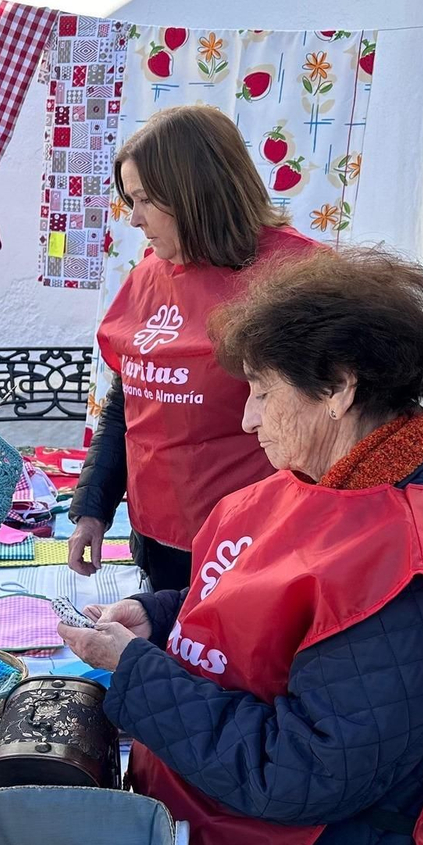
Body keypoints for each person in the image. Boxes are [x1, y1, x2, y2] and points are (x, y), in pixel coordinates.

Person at [59, 248, 423, 845]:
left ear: (338, 387)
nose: (248, 417)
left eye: (261, 392)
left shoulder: (421, 566)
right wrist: (158, 615)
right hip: (214, 835)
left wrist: (135, 672)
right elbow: (246, 597)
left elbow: (301, 769)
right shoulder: (315, 477)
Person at [68, 104, 320, 592]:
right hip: (158, 541)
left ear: (194, 194)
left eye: (144, 200)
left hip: (254, 546)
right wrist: (92, 508)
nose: (134, 218)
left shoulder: (295, 276)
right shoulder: (147, 276)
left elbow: (335, 421)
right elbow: (127, 407)